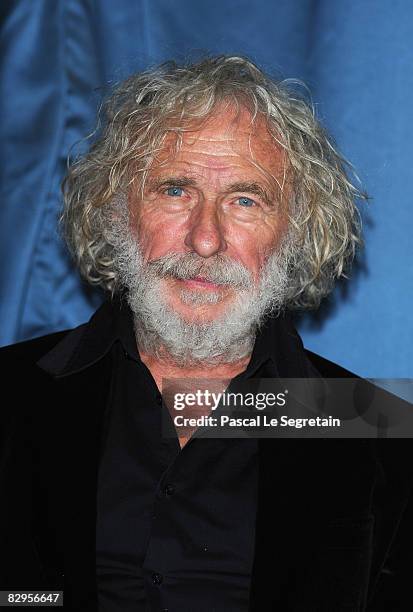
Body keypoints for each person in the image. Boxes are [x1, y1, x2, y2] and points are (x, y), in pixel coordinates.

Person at [0, 55, 411, 612]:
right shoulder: (11, 395)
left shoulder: (377, 433)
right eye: (175, 189)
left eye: (244, 200)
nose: (205, 240)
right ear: (113, 210)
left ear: (298, 231)